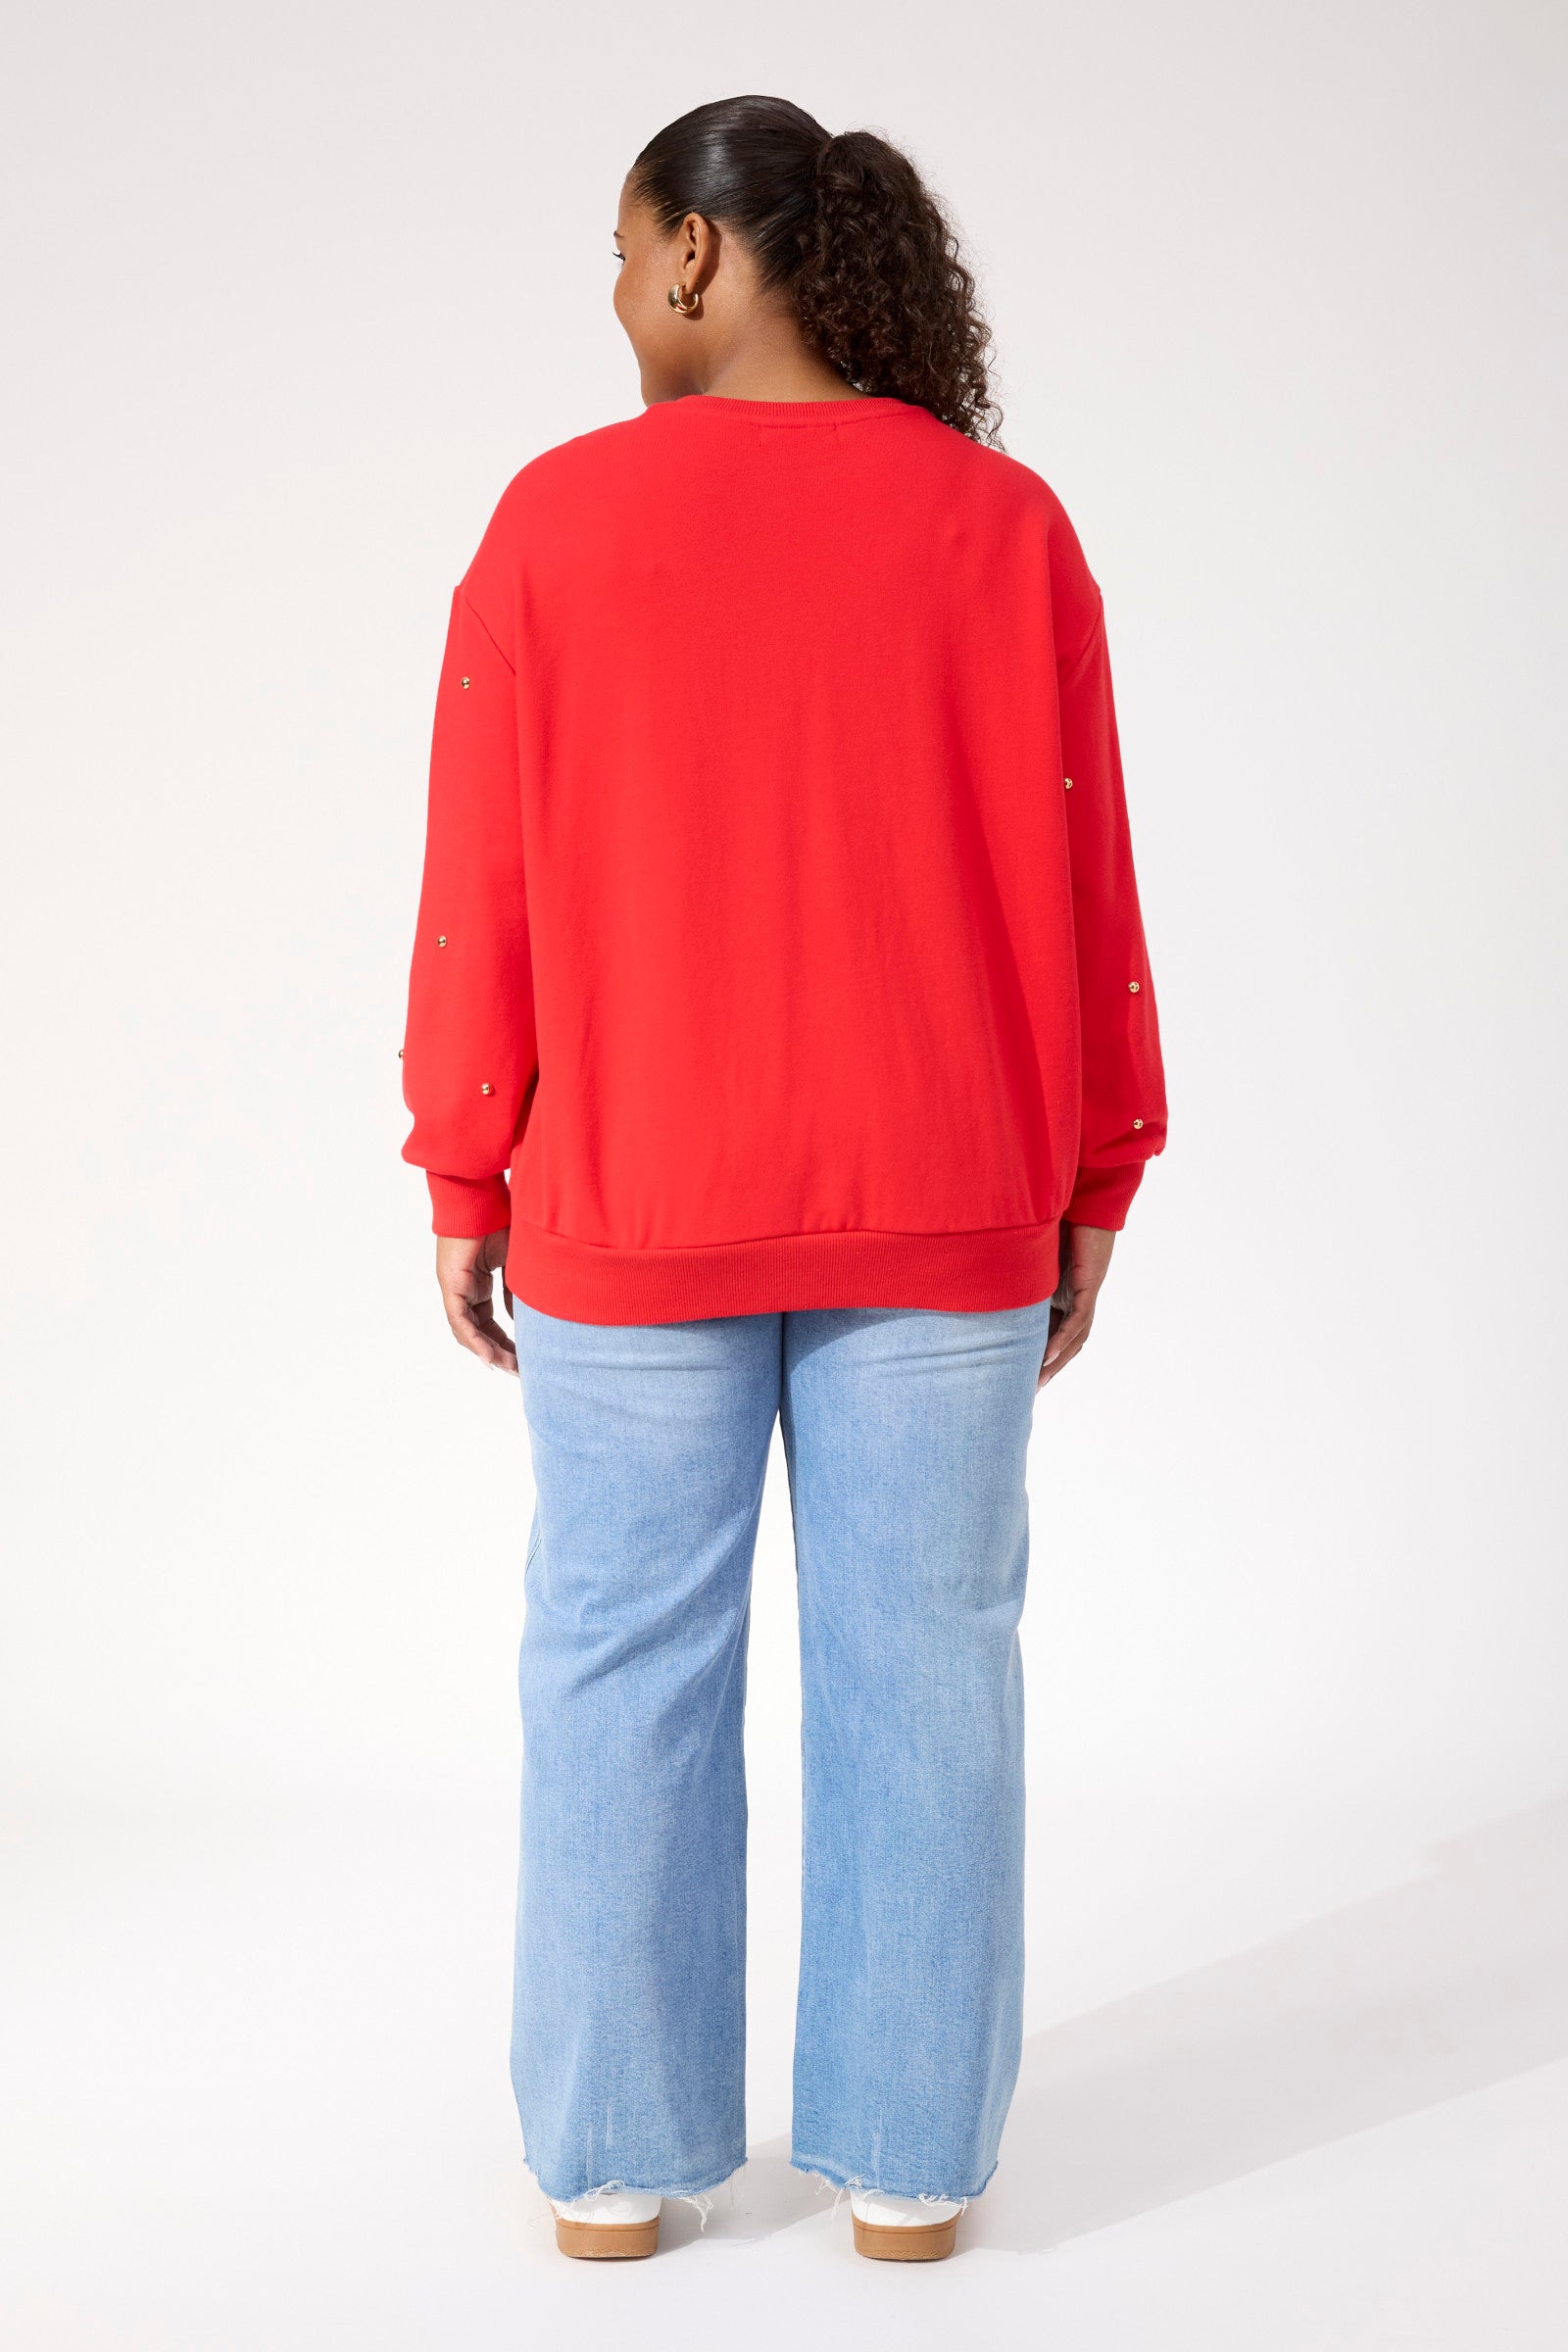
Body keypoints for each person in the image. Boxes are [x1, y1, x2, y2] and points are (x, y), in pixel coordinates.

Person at [400, 93, 1166, 2265]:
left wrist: (464, 1158)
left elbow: (485, 875)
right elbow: (1084, 875)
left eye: (619, 248)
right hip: (943, 1191)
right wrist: (1097, 1163)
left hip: (631, 1194)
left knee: (618, 1668)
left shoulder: (553, 520)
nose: (613, 291)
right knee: (928, 1673)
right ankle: (910, 2173)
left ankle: (613, 2171)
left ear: (697, 257)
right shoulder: (1003, 527)